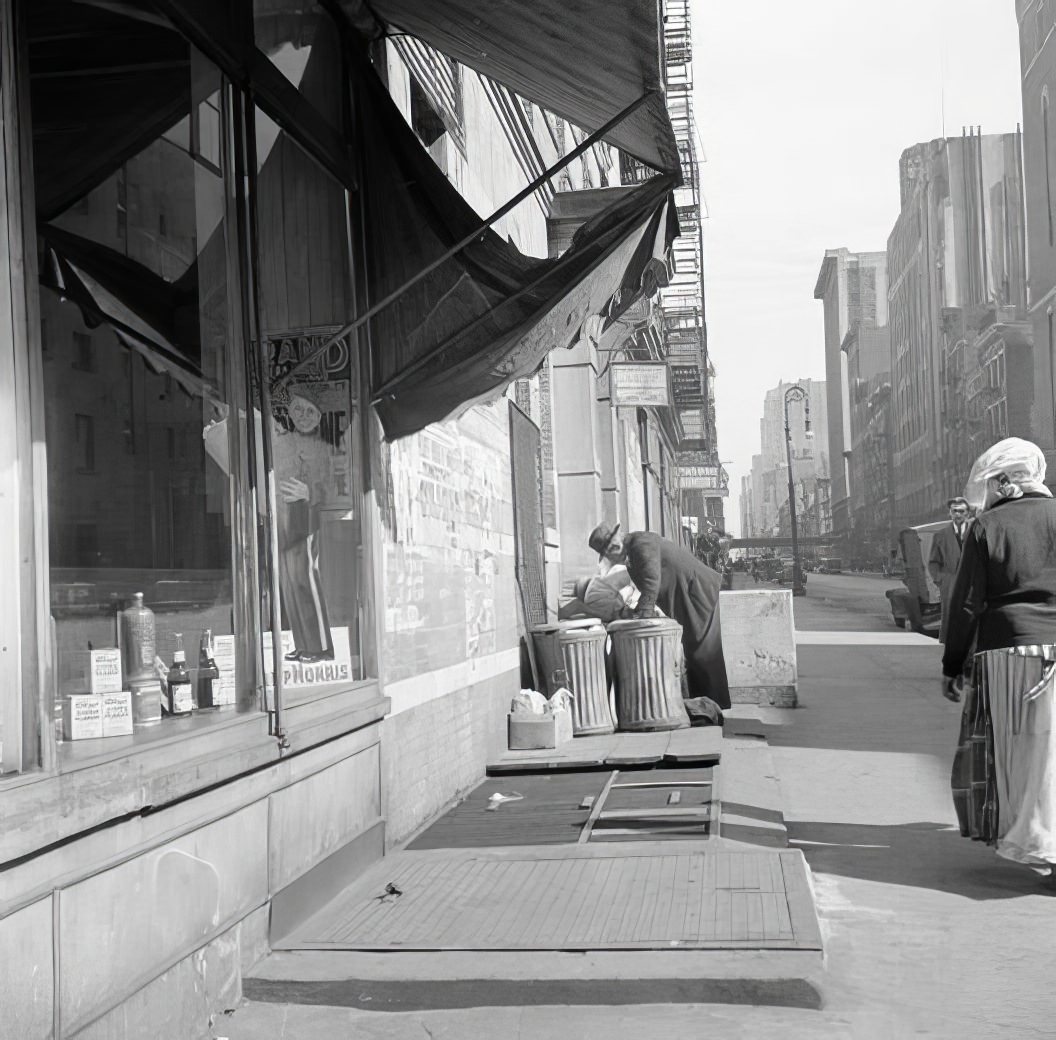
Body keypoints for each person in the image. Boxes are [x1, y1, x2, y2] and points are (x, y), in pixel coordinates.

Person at [943, 438, 1056, 877]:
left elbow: (966, 604)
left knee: (1020, 756)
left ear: (1007, 481)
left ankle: (1036, 839)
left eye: (992, 483)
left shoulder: (988, 527)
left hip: (1008, 654)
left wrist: (953, 665)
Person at [588, 520, 730, 709]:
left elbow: (650, 582)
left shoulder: (641, 544)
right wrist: (637, 612)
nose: (612, 561)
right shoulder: (634, 552)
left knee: (705, 654)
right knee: (695, 653)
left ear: (614, 546)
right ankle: (705, 707)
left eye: (609, 556)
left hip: (699, 594)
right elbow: (649, 587)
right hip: (688, 600)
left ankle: (716, 708)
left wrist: (642, 616)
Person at [929, 496, 973, 643]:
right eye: (954, 511)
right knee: (950, 619)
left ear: (968, 513)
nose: (958, 514)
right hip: (950, 584)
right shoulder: (940, 535)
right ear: (950, 513)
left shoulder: (976, 533)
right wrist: (941, 580)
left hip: (972, 584)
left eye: (961, 511)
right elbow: (933, 562)